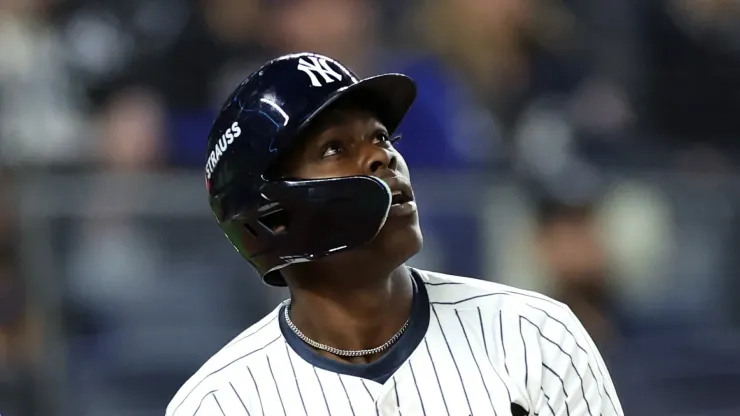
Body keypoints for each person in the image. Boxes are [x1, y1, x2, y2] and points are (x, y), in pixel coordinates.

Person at [165, 52, 623, 416]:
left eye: (382, 137)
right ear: (271, 217)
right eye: (335, 148)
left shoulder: (533, 336)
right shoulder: (222, 403)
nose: (382, 159)